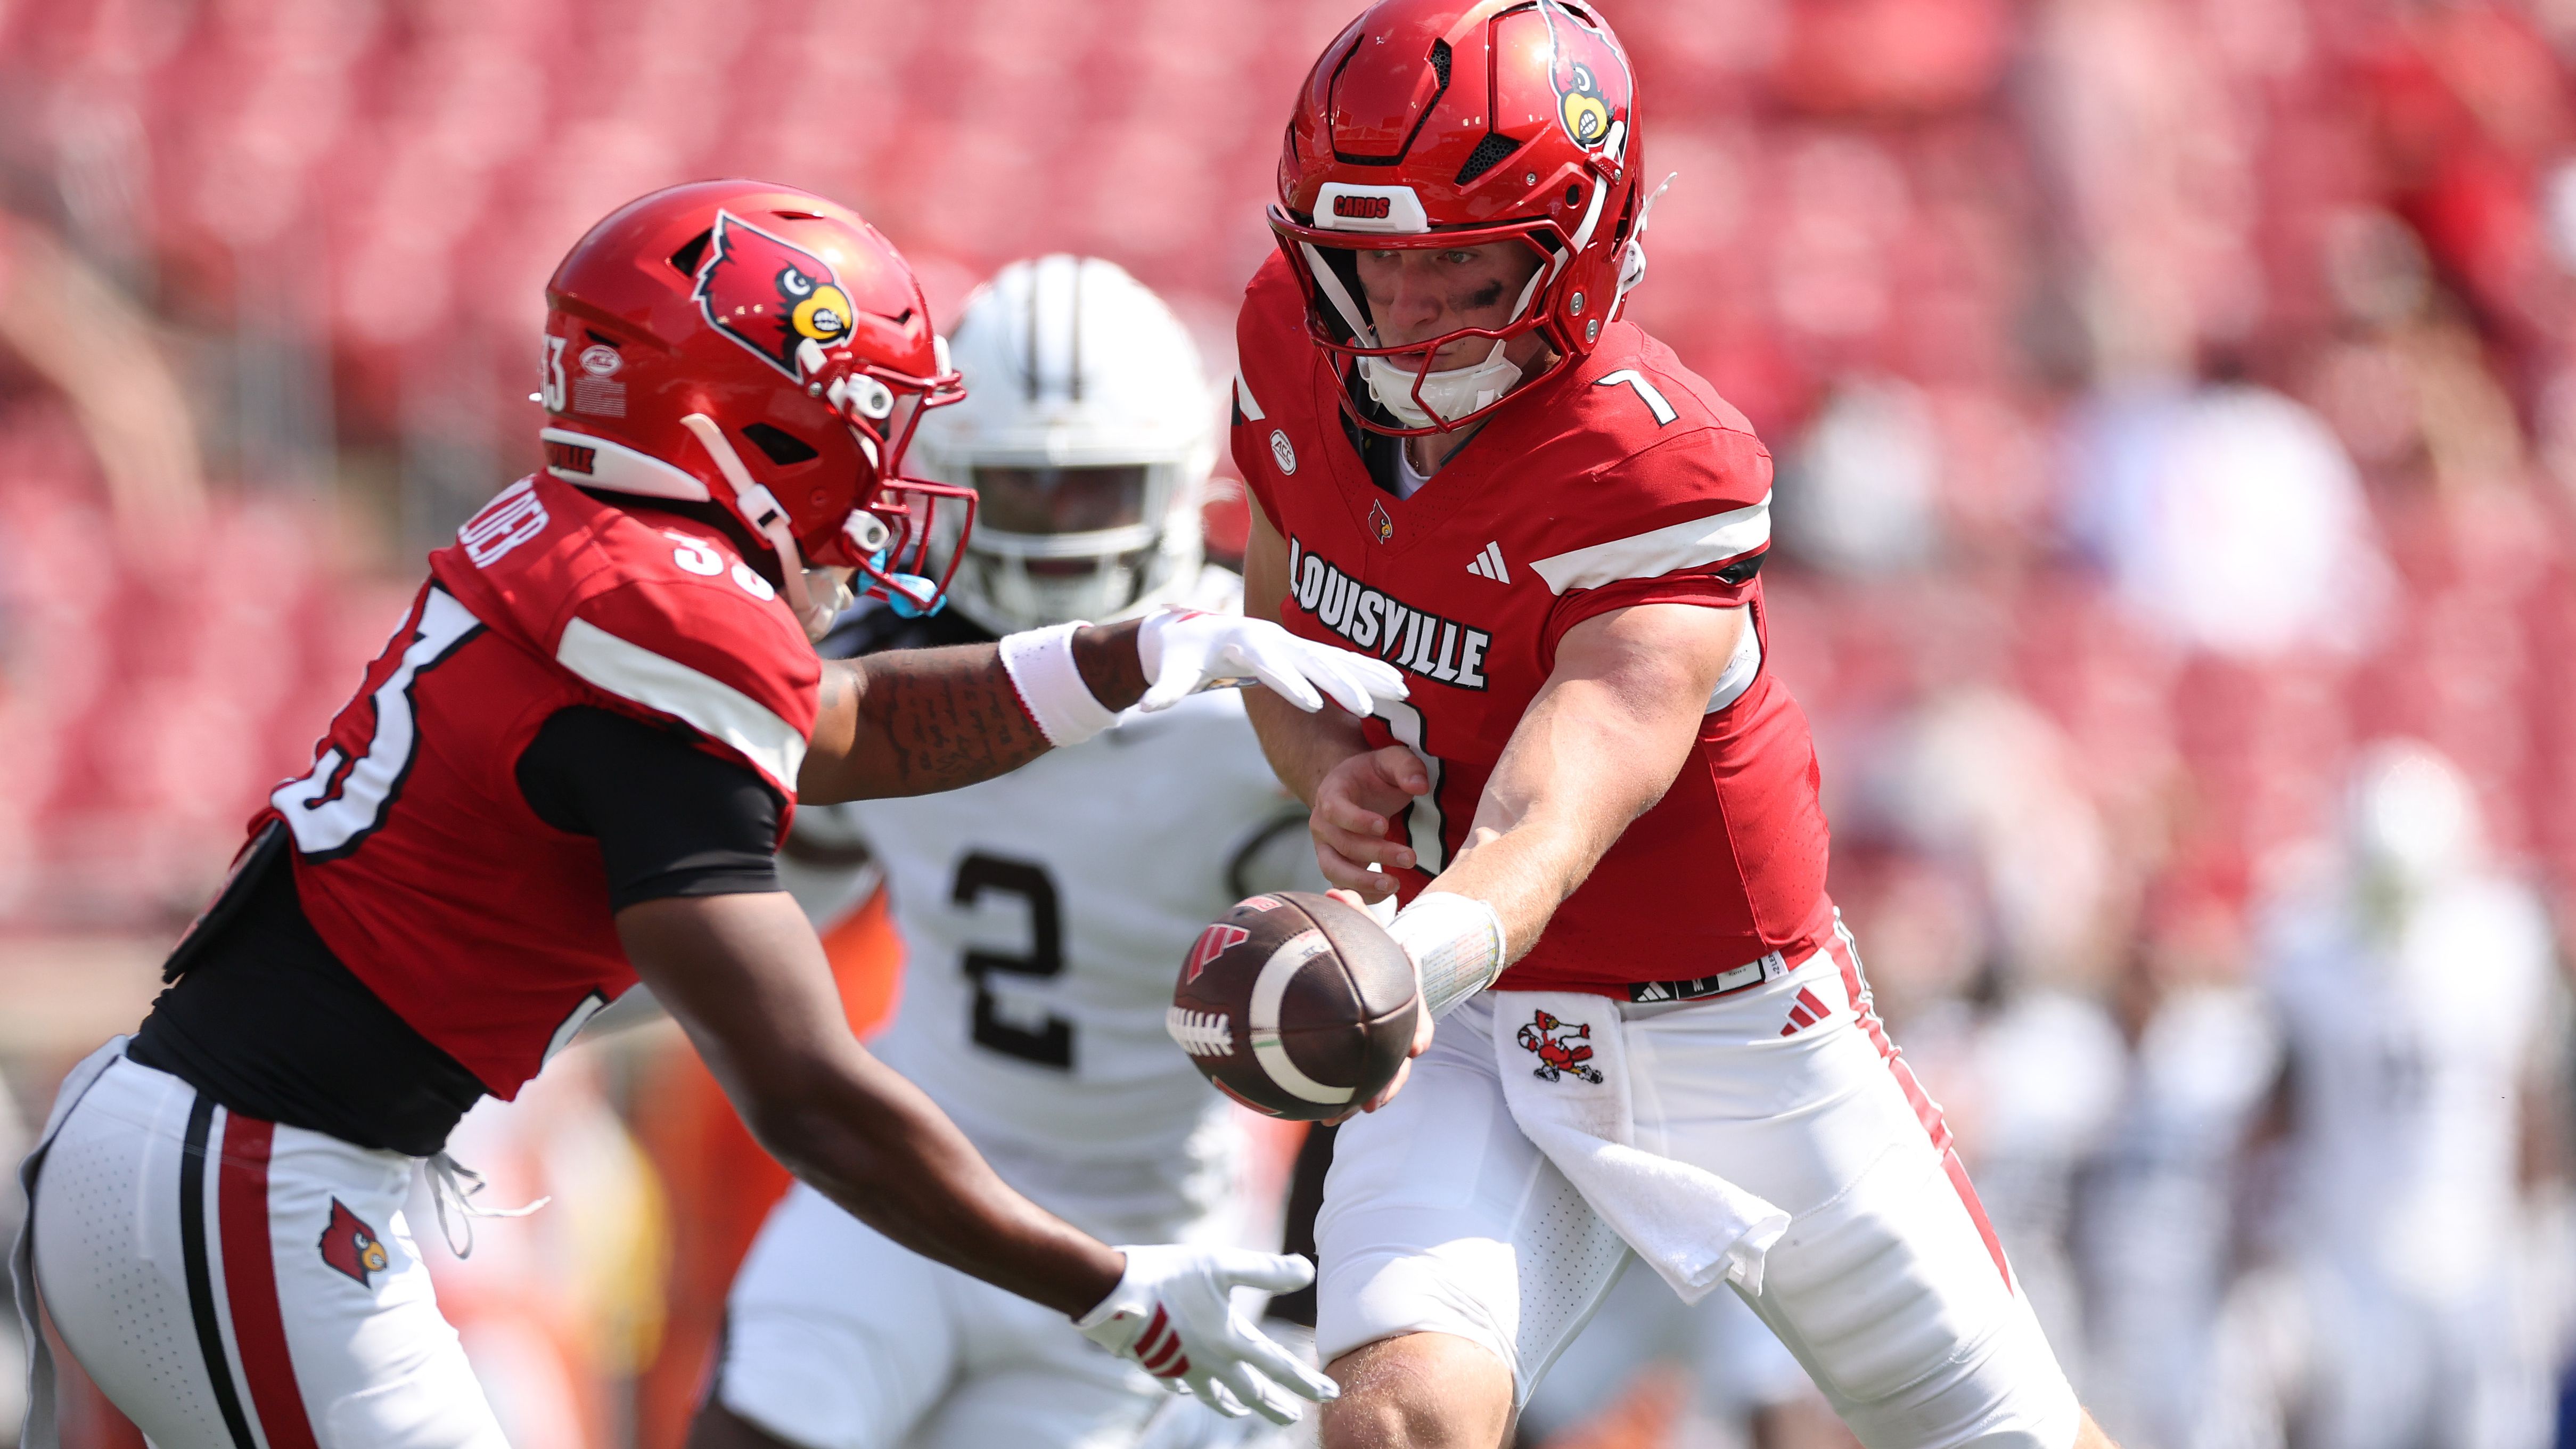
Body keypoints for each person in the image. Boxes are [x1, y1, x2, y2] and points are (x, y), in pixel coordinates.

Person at [9, 181, 1401, 1449]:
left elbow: (847, 725)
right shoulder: (666, 610)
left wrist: (1130, 658)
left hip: (233, 1155)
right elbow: (804, 1088)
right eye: (863, 418)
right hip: (254, 1170)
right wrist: (1110, 1287)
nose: (884, 470)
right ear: (750, 422)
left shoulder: (601, 551)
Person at [1227, 4, 2121, 1446]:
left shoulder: (1656, 466)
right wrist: (1327, 768)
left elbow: (1551, 813)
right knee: (1390, 1421)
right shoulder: (1288, 338)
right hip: (1471, 1020)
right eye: (1366, 260)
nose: (1395, 311)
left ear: (1569, 242)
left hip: (1729, 1033)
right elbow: (1278, 634)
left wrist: (1395, 956)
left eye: (1450, 260)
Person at [695, 255, 1325, 1449]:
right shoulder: (881, 679)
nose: (1057, 523)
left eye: (1091, 487)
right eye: (1022, 486)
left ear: (1180, 477)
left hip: (1144, 1224)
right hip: (912, 1177)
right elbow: (779, 889)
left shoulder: (1263, 707)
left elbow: (1366, 1016)